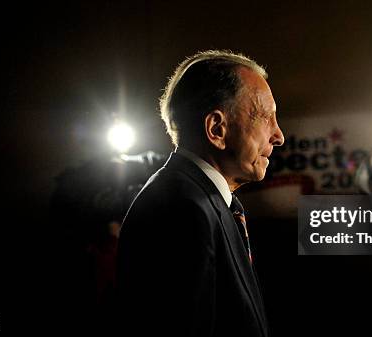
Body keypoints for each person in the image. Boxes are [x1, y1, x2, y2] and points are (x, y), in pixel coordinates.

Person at [116, 50, 284, 336]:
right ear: (216, 128)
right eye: (266, 117)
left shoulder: (203, 200)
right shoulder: (181, 210)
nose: (278, 135)